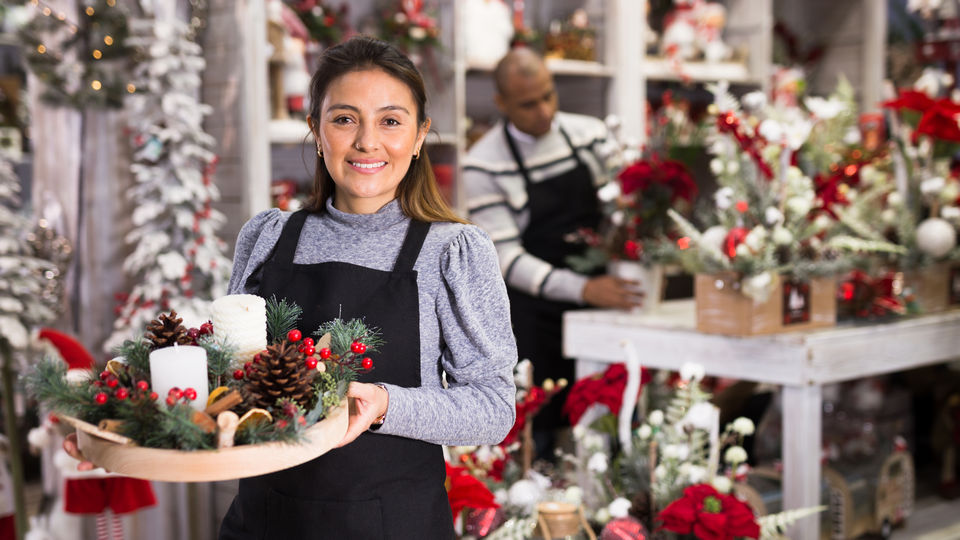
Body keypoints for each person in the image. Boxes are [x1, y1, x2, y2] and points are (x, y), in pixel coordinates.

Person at [68, 36, 518, 539]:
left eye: (390, 121)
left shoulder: (453, 251)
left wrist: (384, 404)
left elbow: (493, 409)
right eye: (345, 119)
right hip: (265, 521)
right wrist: (121, 429)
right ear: (317, 131)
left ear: (418, 137)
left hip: (394, 524)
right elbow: (226, 383)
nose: (368, 141)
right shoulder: (267, 237)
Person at [463, 48, 641, 458]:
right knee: (542, 433)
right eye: (528, 104)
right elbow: (505, 258)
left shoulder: (589, 134)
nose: (543, 111)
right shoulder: (483, 164)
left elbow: (623, 205)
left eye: (548, 96)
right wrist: (583, 289)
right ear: (501, 103)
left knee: (611, 420)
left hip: (602, 302)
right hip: (537, 316)